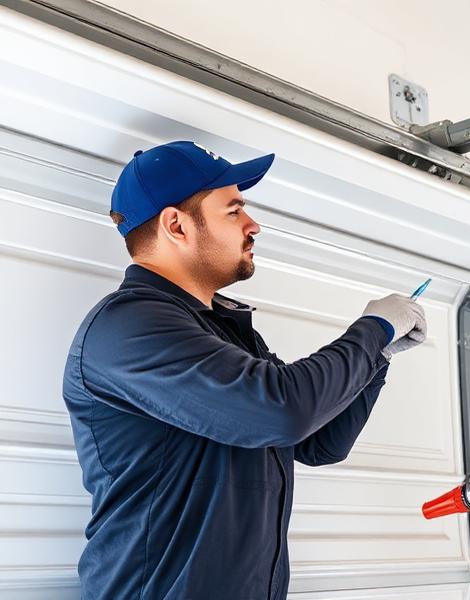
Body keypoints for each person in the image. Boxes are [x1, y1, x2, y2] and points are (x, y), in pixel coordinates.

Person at [62, 141, 427, 599]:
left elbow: (320, 441)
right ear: (176, 225)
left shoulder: (220, 330)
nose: (253, 225)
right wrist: (372, 331)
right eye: (234, 211)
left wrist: (379, 356)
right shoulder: (129, 325)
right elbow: (284, 410)